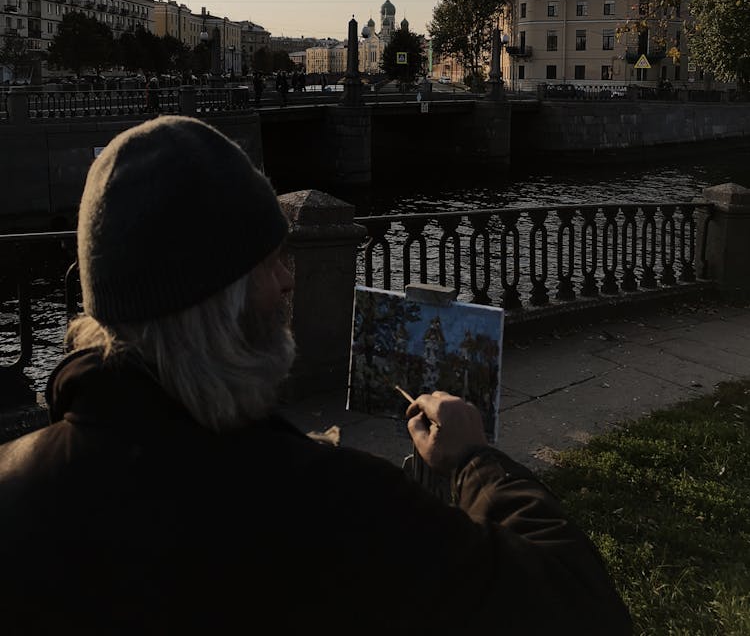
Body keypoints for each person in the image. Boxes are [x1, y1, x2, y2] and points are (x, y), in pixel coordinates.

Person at [0, 116, 632, 636]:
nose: (288, 280)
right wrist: (473, 462)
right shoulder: (333, 506)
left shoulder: (17, 487)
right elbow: (578, 607)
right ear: (222, 299)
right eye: (272, 263)